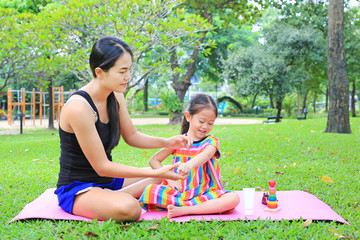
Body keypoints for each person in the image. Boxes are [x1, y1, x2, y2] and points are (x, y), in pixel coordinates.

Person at [55, 36, 191, 222]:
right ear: (100, 72)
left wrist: (167, 142)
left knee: (172, 179)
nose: (128, 77)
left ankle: (116, 194)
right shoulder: (79, 108)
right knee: (129, 208)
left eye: (129, 70)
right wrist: (154, 173)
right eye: (122, 71)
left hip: (108, 182)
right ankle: (120, 197)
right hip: (78, 188)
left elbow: (132, 136)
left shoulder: (116, 95)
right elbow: (102, 167)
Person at [138, 93, 240, 218]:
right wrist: (171, 179)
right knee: (150, 190)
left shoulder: (211, 141)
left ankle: (185, 210)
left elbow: (206, 155)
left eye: (210, 123)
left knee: (233, 198)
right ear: (188, 116)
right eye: (201, 121)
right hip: (179, 193)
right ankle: (192, 207)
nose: (205, 127)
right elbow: (154, 160)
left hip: (205, 192)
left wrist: (189, 165)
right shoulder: (178, 142)